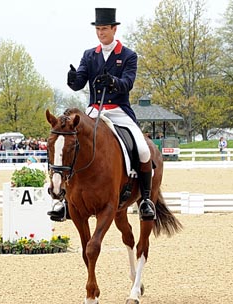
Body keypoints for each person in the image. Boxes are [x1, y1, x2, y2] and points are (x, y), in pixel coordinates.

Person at [47, 8, 155, 222]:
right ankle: (65, 201)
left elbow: (128, 83)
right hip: (94, 111)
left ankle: (145, 200)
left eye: (104, 29)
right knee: (70, 145)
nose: (100, 33)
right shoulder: (90, 54)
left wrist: (114, 82)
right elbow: (79, 83)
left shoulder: (128, 55)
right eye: (98, 29)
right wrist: (72, 79)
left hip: (118, 110)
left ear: (114, 29)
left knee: (143, 150)